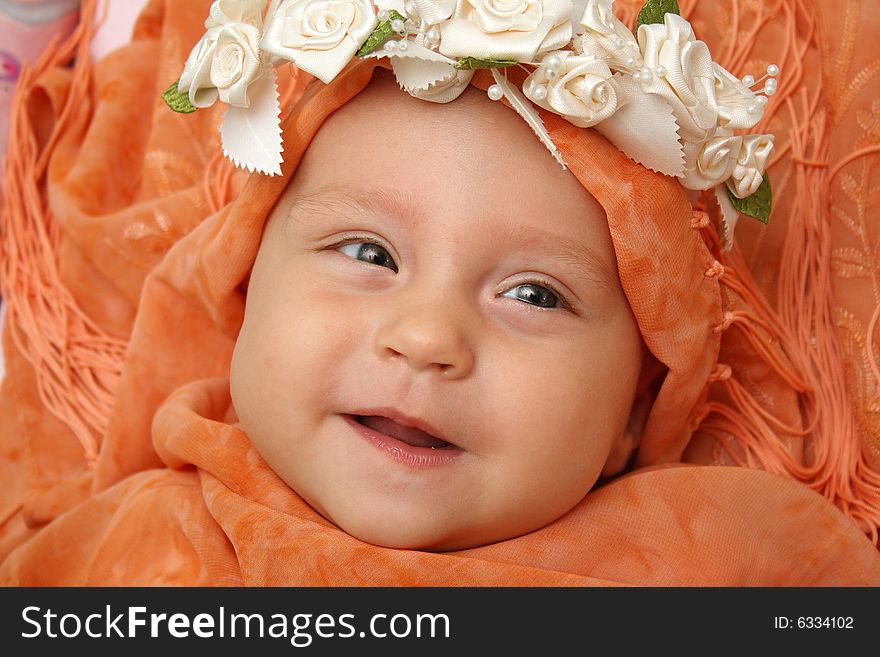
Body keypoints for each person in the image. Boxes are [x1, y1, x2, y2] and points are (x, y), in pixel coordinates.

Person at [0, 0, 879, 584]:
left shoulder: (721, 556)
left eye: (535, 295)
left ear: (633, 417)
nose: (426, 337)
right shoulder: (128, 547)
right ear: (239, 298)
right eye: (368, 252)